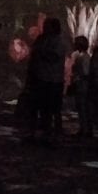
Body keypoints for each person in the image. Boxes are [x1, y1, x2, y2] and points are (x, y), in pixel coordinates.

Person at [25, 17, 67, 145]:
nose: (44, 28)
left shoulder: (58, 41)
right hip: (39, 78)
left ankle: (54, 135)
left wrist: (41, 53)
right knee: (41, 108)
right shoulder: (41, 39)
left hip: (53, 80)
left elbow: (54, 57)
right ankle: (42, 133)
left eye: (47, 25)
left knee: (53, 109)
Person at [69, 35, 92, 137]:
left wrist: (78, 79)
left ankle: (85, 129)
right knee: (81, 108)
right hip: (81, 85)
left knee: (83, 108)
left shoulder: (84, 57)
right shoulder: (81, 56)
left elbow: (86, 73)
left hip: (83, 86)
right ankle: (84, 128)